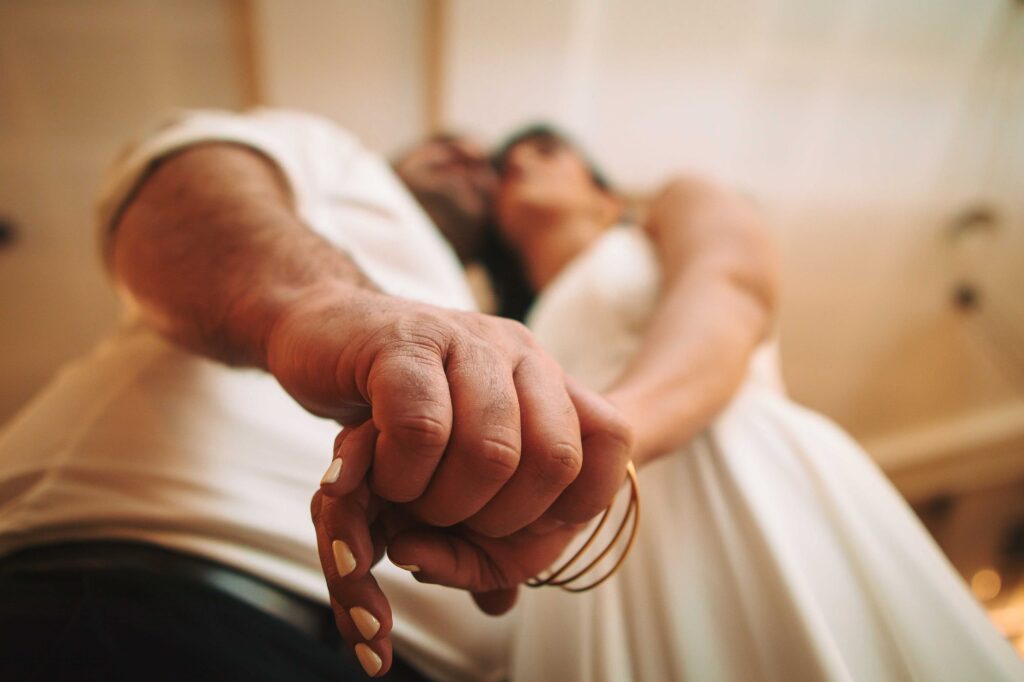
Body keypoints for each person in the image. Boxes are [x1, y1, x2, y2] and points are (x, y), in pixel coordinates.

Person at [318, 126, 1024, 680]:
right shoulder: (509, 318)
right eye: (504, 168)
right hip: (581, 550)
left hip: (734, 470)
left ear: (603, 190)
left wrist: (608, 440)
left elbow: (732, 289)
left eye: (544, 148)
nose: (519, 167)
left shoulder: (670, 205)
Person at [0, 109, 632, 681]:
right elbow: (181, 186)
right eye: (444, 144)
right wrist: (318, 305)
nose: (470, 155)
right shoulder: (338, 160)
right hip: (141, 595)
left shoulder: (504, 320)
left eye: (485, 164)